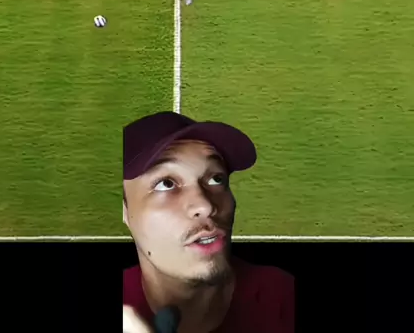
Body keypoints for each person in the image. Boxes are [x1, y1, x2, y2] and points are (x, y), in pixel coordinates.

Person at [123, 111, 294, 333]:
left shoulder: (283, 297)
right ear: (124, 211)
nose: (206, 206)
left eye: (216, 179)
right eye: (166, 184)